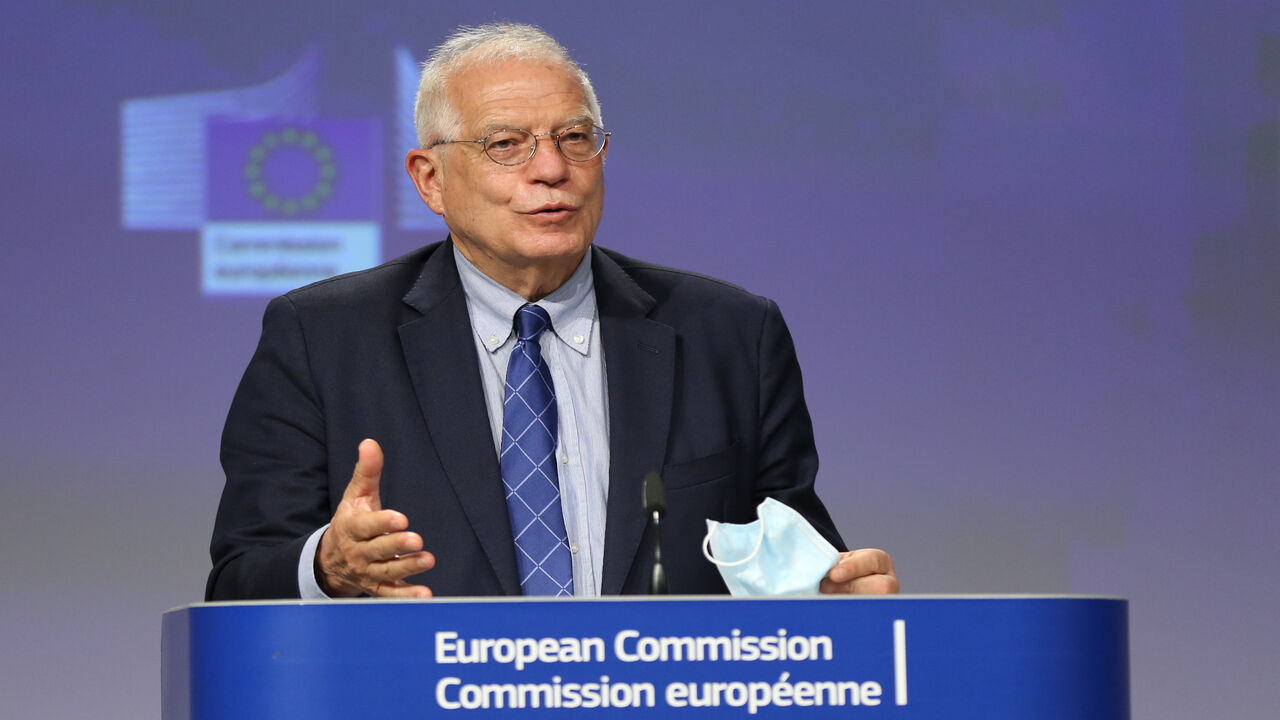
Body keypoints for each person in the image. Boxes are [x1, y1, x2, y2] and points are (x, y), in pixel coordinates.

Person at [207, 22, 897, 601]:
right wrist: (326, 567)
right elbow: (239, 580)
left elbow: (798, 566)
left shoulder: (731, 334)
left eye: (575, 138)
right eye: (505, 145)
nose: (551, 169)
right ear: (430, 180)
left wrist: (835, 598)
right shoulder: (321, 339)